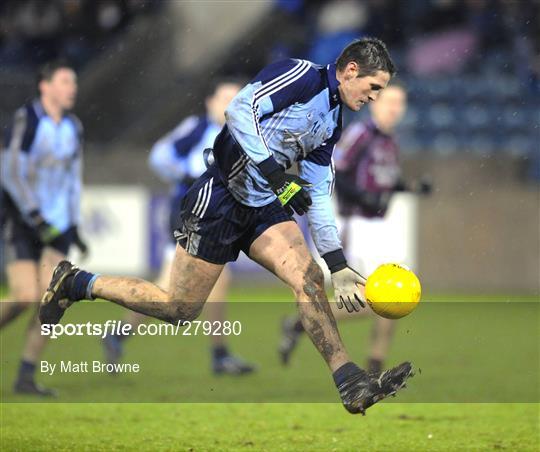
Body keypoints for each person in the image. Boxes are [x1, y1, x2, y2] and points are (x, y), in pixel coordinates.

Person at [40, 38, 413, 415]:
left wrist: (338, 265)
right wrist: (277, 176)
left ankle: (350, 384)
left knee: (310, 277)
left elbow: (317, 195)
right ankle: (77, 281)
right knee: (178, 309)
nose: (375, 98)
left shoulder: (332, 121)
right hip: (218, 198)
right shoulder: (301, 76)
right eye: (374, 88)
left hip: (262, 205)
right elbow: (239, 110)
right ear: (351, 71)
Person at [102, 80, 255, 375]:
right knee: (205, 283)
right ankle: (219, 355)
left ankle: (118, 334)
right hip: (190, 213)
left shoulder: (240, 134)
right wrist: (188, 175)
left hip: (216, 216)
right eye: (224, 97)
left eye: (235, 98)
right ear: (210, 102)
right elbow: (160, 155)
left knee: (174, 287)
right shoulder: (198, 128)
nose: (229, 104)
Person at [279, 81, 429, 372]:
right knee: (380, 297)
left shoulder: (389, 140)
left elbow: (385, 179)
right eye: (389, 102)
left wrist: (411, 187)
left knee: (394, 293)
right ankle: (301, 323)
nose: (394, 108)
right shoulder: (361, 134)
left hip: (379, 225)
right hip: (355, 224)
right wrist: (364, 196)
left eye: (399, 103)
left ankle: (375, 365)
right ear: (375, 103)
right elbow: (339, 173)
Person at [0, 60, 87, 396]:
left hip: (58, 226)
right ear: (45, 85)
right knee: (25, 298)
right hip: (25, 222)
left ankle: (25, 376)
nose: (72, 88)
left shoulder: (74, 126)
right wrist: (35, 215)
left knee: (52, 301)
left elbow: (73, 177)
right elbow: (9, 171)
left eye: (74, 81)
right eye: (66, 80)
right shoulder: (29, 120)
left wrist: (74, 222)